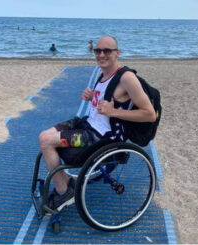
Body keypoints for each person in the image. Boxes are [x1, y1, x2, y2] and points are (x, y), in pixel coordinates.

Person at [38, 35, 156, 211]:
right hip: (87, 125)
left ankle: (64, 192)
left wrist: (113, 112)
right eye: (98, 50)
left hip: (101, 137)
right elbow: (110, 98)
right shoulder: (104, 74)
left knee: (46, 141)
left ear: (117, 53)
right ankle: (65, 182)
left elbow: (149, 114)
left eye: (107, 50)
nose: (101, 54)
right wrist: (93, 95)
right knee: (44, 136)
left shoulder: (127, 78)